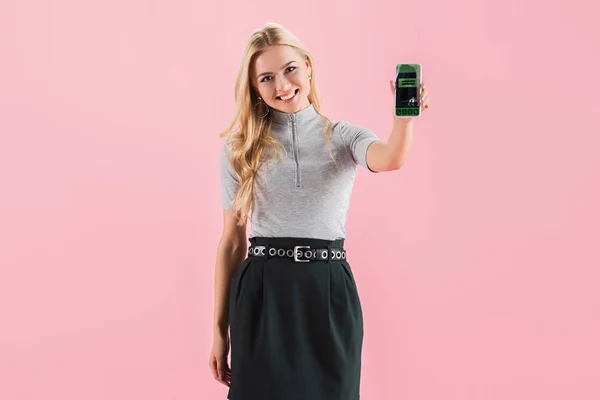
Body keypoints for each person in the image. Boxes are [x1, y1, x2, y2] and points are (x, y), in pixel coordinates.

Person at [209, 22, 429, 400]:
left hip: (328, 289)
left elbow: (390, 158)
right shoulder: (238, 149)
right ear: (254, 88)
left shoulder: (344, 136)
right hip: (263, 292)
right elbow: (231, 241)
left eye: (290, 69)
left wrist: (403, 122)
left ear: (308, 66)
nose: (282, 86)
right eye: (266, 78)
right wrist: (218, 331)